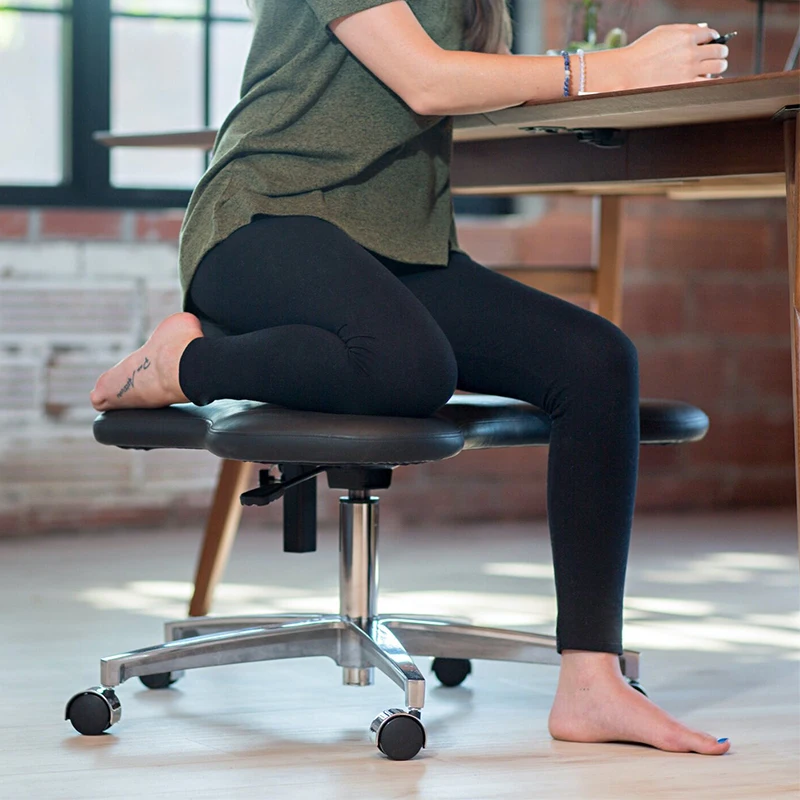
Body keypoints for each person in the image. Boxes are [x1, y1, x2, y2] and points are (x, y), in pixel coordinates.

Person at [90, 0, 731, 755]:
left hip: (399, 246)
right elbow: (424, 82)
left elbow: (461, 87)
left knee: (596, 360)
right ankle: (186, 363)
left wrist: (605, 90)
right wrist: (612, 67)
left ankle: (591, 683)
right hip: (264, 222)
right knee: (409, 367)